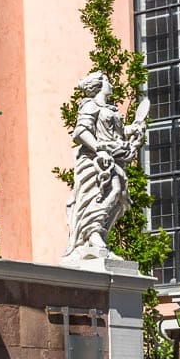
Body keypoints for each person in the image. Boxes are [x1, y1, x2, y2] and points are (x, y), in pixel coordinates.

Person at [63, 71, 146, 262]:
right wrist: (99, 149)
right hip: (97, 161)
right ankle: (92, 231)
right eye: (107, 80)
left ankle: (99, 234)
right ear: (99, 85)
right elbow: (81, 131)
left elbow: (113, 133)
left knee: (120, 197)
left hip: (114, 158)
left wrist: (132, 129)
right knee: (110, 192)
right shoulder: (90, 105)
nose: (110, 83)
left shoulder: (109, 108)